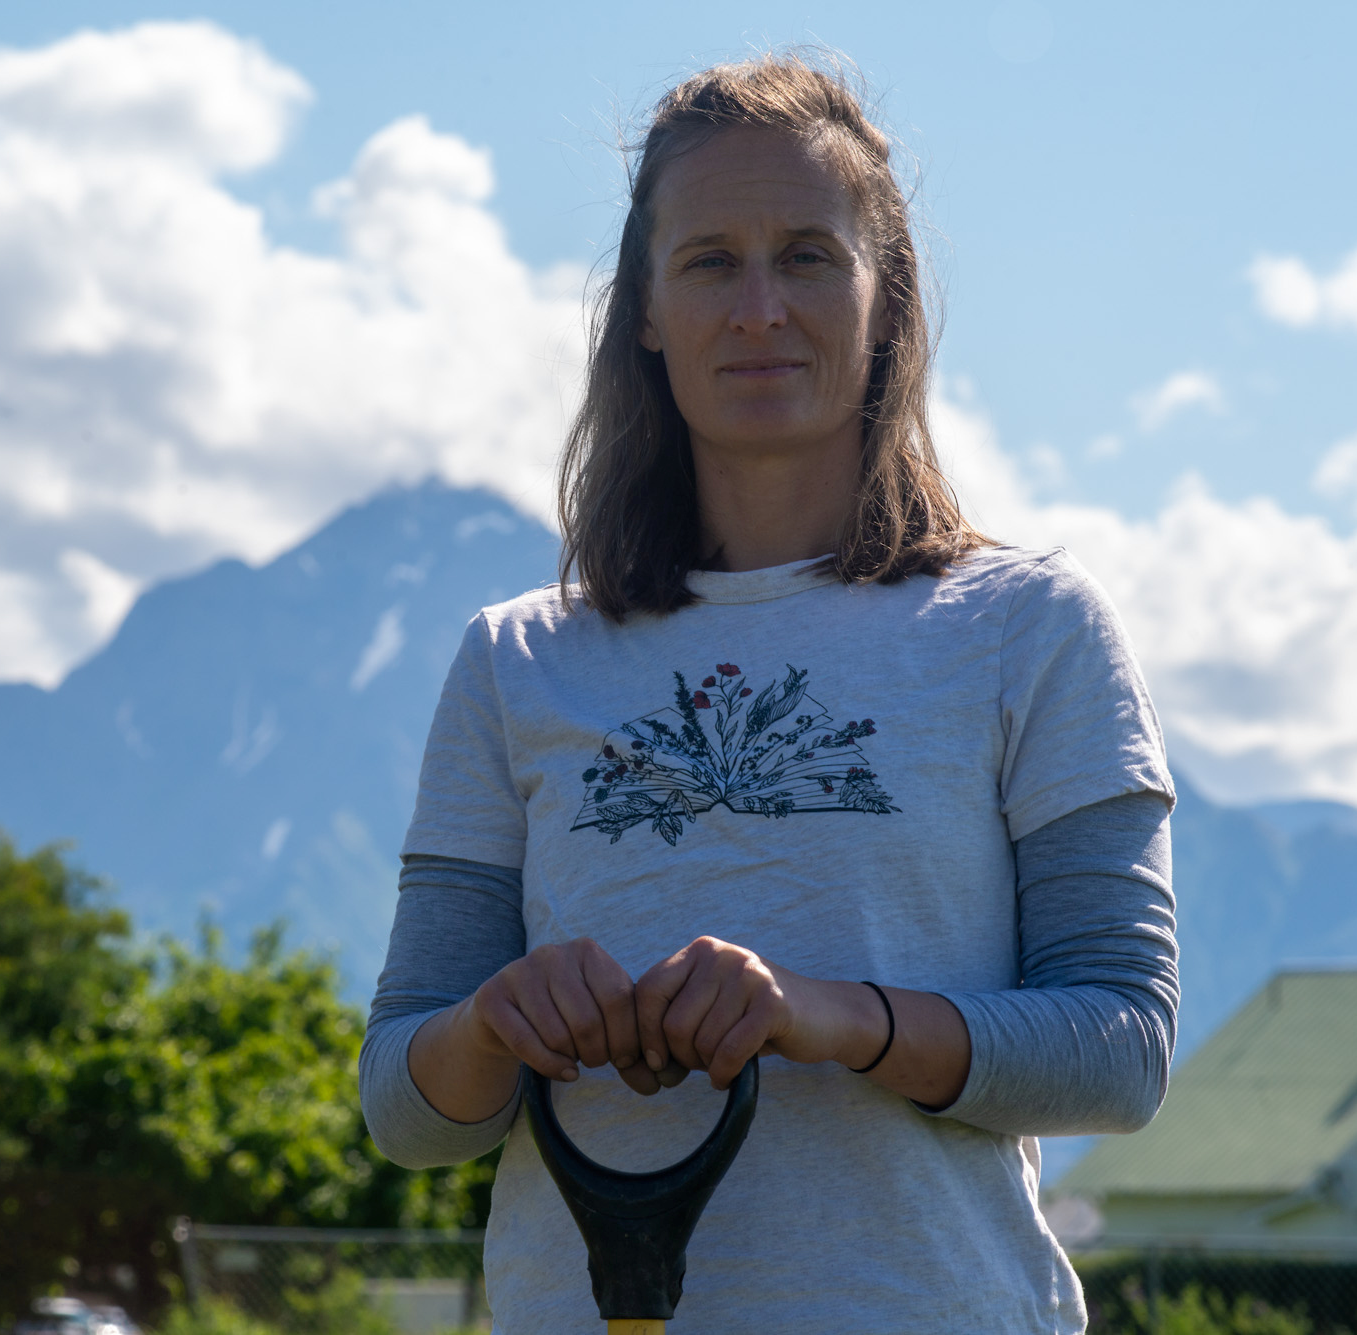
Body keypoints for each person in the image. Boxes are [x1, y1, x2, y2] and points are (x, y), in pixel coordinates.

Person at [360, 53, 1178, 1334]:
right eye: (707, 262)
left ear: (884, 296)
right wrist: (489, 1025)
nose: (758, 309)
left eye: (806, 255)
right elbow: (405, 1110)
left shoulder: (1030, 631)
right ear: (641, 309)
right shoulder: (514, 661)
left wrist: (824, 1017)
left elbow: (1119, 1048)